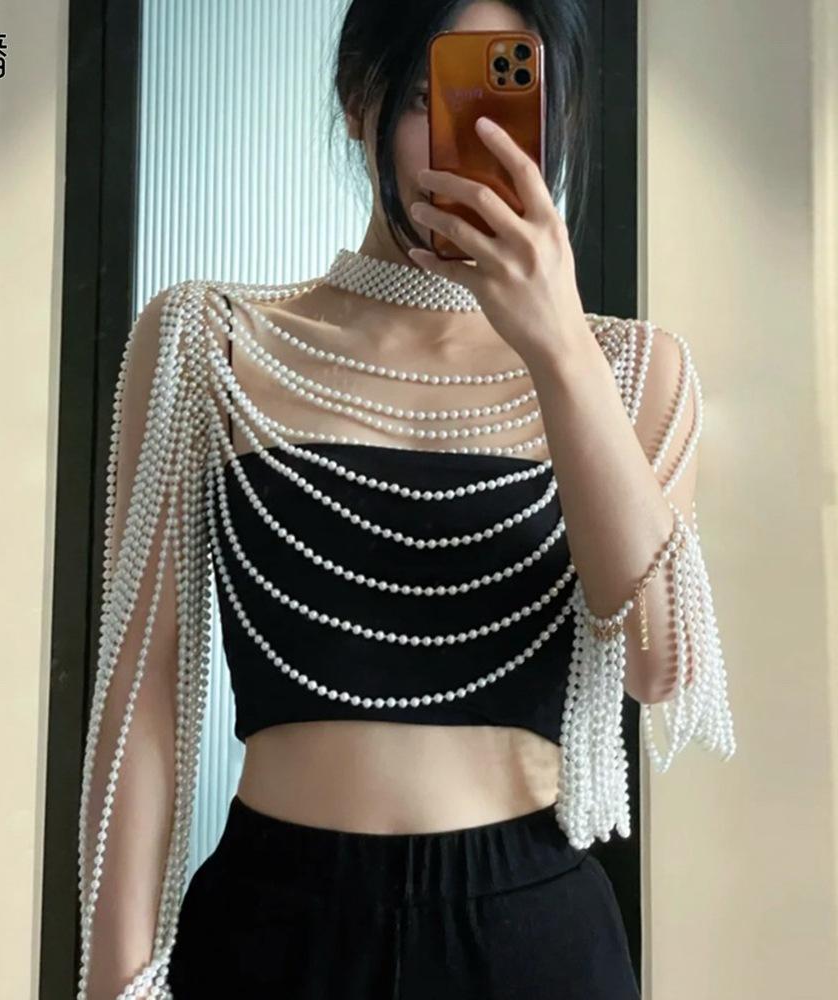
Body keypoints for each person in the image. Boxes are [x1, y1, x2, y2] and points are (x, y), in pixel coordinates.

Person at [78, 1, 737, 997]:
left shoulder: (630, 369)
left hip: (529, 938)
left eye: (510, 102)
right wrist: (114, 984)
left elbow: (663, 665)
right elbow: (140, 706)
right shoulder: (207, 340)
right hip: (271, 927)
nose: (472, 143)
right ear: (358, 97)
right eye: (434, 97)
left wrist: (557, 346)